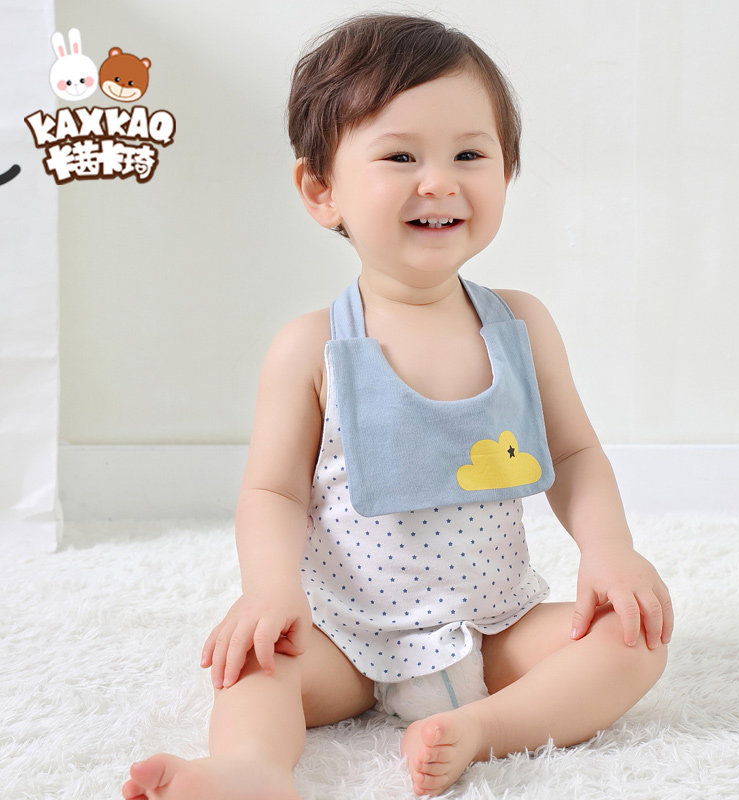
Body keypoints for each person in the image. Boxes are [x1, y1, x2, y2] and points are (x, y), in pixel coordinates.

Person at [123, 13, 672, 800]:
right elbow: (273, 491)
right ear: (322, 190)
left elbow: (575, 455)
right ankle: (251, 768)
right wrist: (270, 590)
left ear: (506, 172)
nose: (440, 181)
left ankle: (483, 729)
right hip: (346, 639)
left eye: (470, 155)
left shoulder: (520, 325)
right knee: (255, 664)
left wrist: (609, 550)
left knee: (636, 637)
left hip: (495, 628)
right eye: (401, 156)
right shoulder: (311, 347)